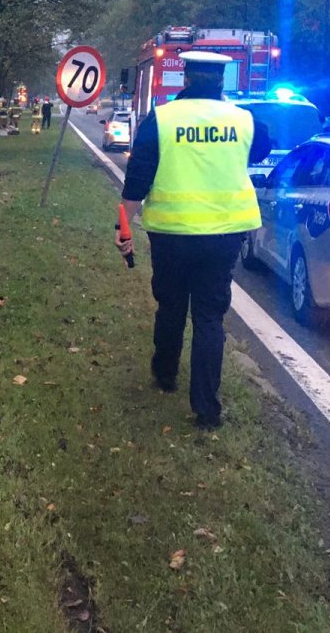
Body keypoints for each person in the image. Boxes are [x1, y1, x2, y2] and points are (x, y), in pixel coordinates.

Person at [114, 52, 270, 431]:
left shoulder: (162, 119)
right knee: (209, 317)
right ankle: (206, 409)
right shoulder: (245, 120)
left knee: (171, 305)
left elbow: (138, 178)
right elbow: (263, 149)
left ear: (185, 79)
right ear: (221, 81)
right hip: (224, 235)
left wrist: (123, 226)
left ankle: (165, 374)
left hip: (172, 234)